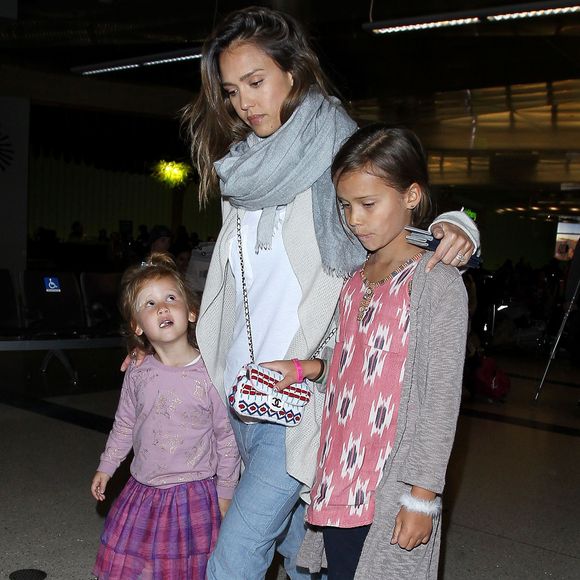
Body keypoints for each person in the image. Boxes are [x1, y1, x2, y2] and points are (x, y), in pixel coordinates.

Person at [180, 6, 478, 579]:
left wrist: (460, 225)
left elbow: (391, 209)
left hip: (307, 408)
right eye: (232, 90)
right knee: (304, 560)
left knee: (232, 559)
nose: (244, 102)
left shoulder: (334, 150)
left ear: (292, 72)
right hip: (248, 386)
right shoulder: (244, 168)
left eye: (257, 82)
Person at [267, 125, 468, 579]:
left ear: (412, 195)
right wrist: (305, 368)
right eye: (345, 205)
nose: (354, 219)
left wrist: (422, 495)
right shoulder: (357, 278)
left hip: (389, 483)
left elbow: (440, 398)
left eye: (368, 204)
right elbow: (349, 361)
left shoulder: (436, 281)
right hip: (340, 477)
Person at [91, 252, 240, 579]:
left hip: (194, 491)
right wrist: (107, 465)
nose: (161, 307)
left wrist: (227, 492)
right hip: (143, 487)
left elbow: (227, 439)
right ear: (137, 327)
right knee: (140, 561)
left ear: (190, 311)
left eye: (170, 298)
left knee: (188, 565)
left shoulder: (211, 373)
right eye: (149, 304)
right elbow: (125, 424)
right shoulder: (138, 370)